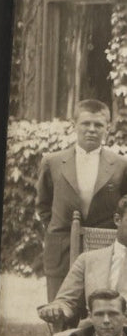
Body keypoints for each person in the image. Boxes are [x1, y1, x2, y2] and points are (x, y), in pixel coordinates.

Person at [37, 99, 126, 301]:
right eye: (86, 123)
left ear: (108, 128)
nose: (91, 129)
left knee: (101, 307)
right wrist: (59, 231)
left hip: (103, 249)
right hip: (61, 250)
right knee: (59, 307)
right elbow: (43, 206)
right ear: (74, 124)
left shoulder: (121, 165)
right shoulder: (52, 162)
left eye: (98, 125)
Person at [38, 203, 127, 329]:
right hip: (92, 332)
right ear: (117, 219)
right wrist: (57, 308)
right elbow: (66, 301)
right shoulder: (88, 260)